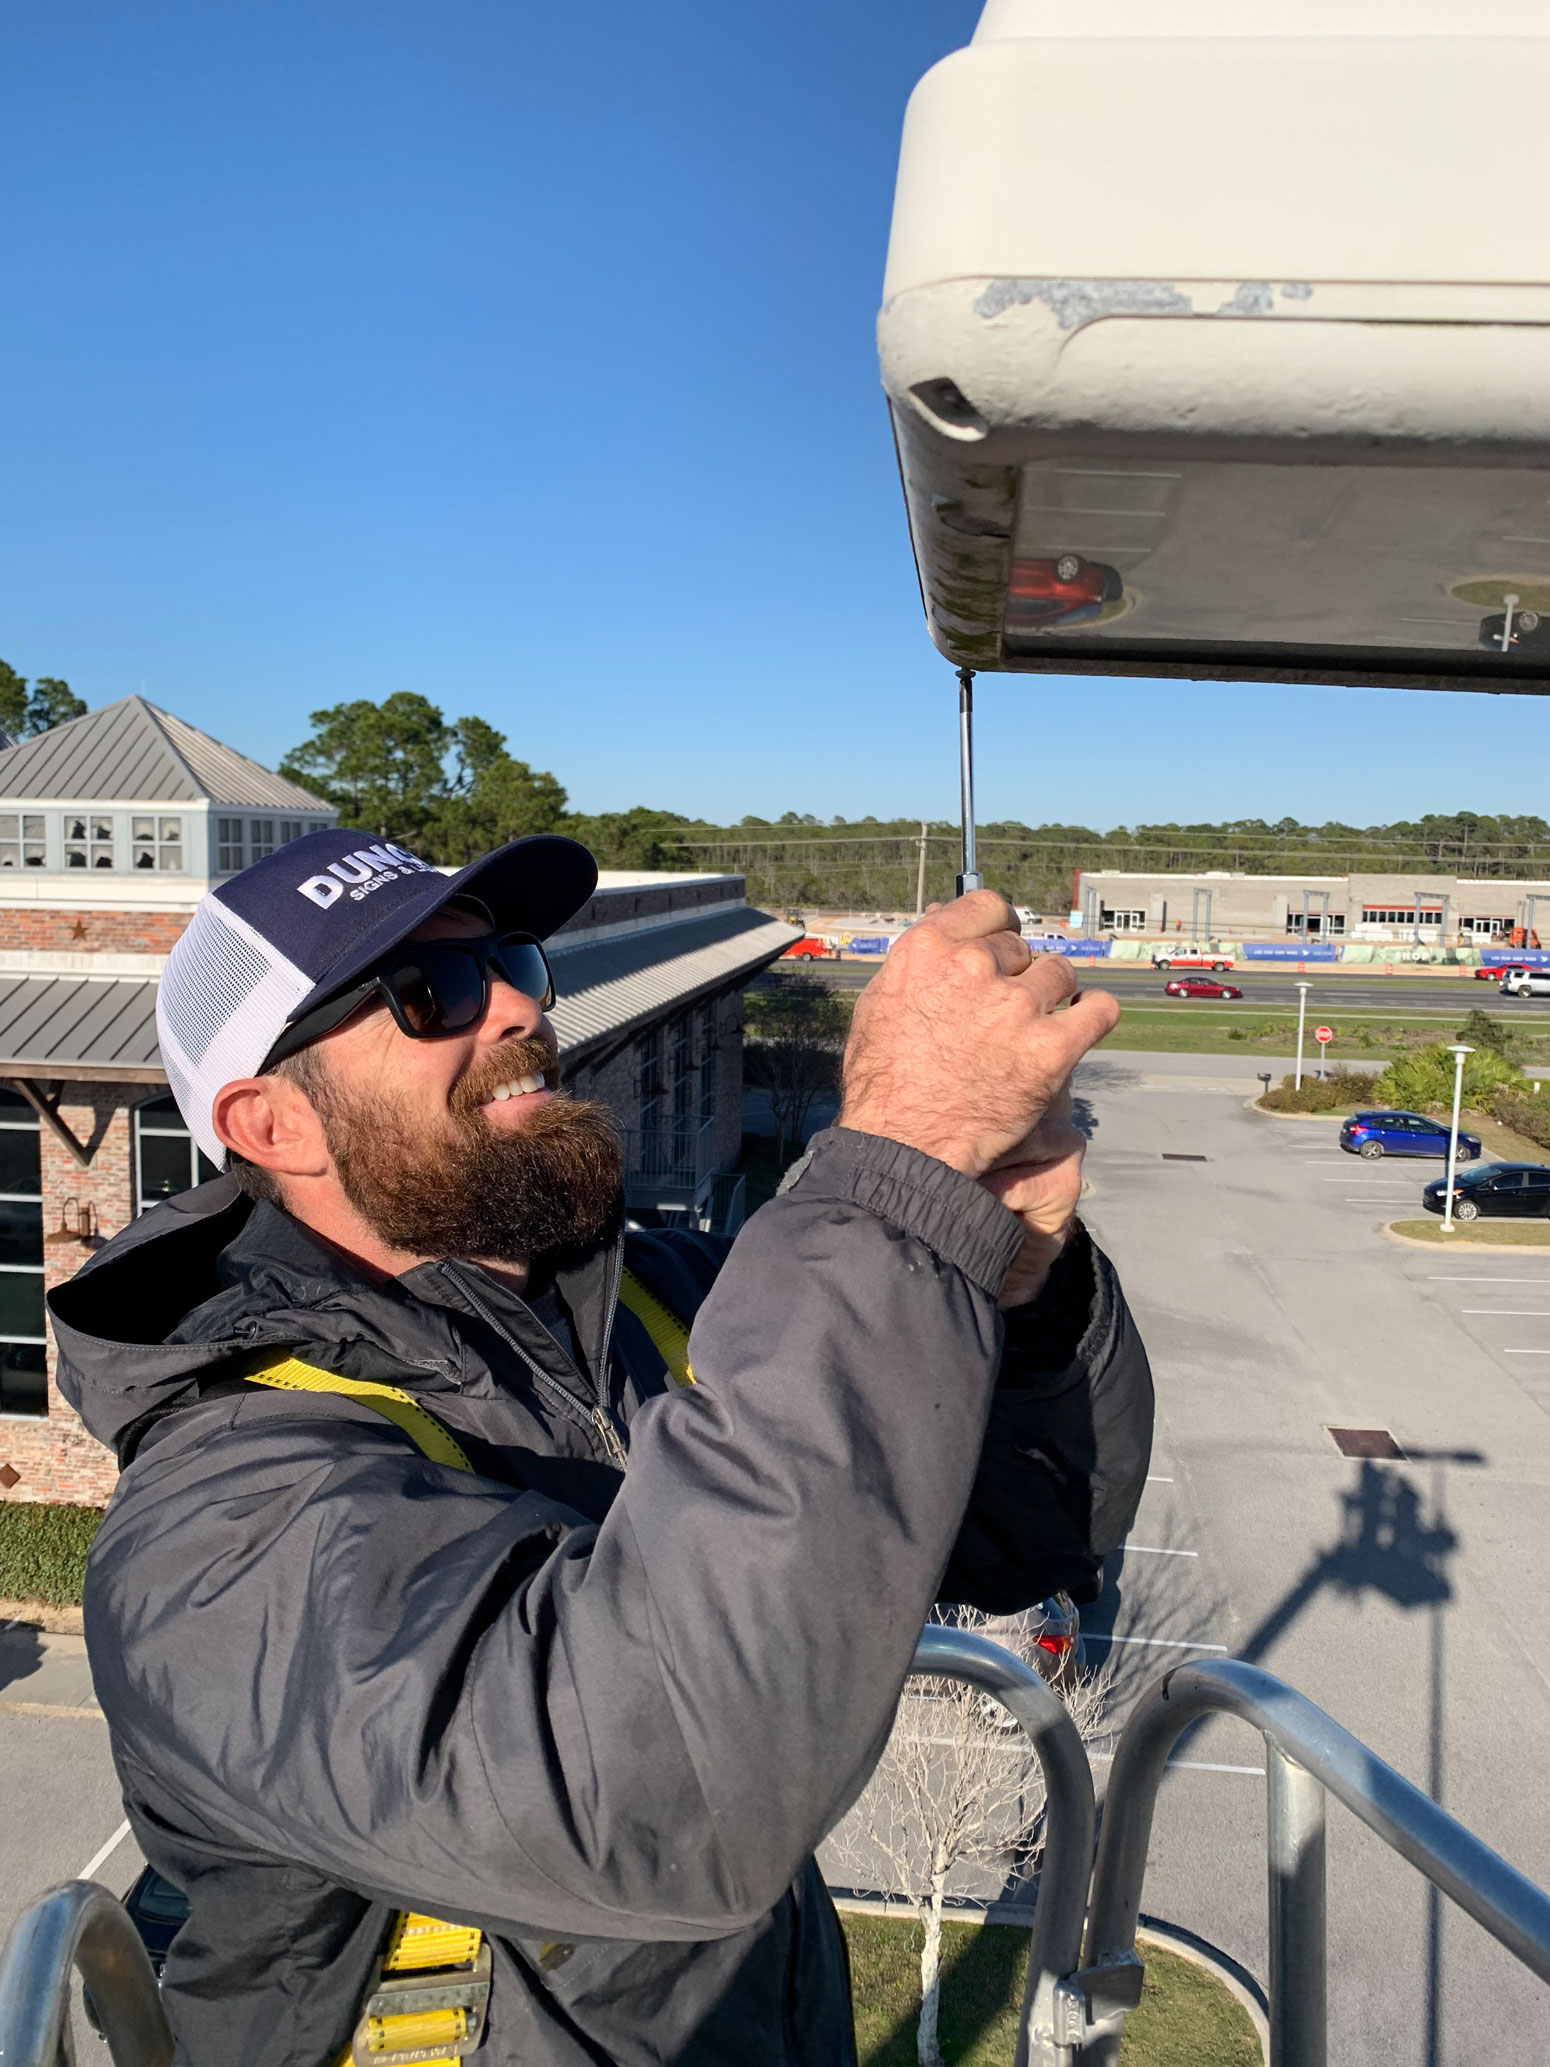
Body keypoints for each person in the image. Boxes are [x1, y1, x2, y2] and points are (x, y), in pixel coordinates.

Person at [52, 827, 1152, 2067]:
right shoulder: (219, 1523)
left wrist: (1021, 1292)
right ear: (270, 1124)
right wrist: (894, 1169)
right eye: (434, 993)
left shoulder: (654, 1304)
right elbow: (663, 1800)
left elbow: (1023, 1535)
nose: (522, 1002)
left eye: (513, 959)